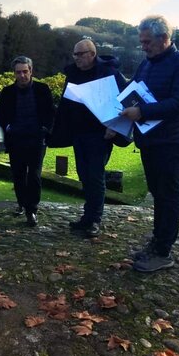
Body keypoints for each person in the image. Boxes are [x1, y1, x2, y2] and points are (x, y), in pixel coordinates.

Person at [119, 16, 179, 272]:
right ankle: (157, 242)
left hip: (171, 141)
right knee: (157, 193)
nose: (143, 46)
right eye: (141, 41)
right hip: (148, 140)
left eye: (147, 42)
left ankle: (163, 252)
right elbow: (131, 93)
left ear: (164, 38)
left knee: (169, 195)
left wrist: (142, 112)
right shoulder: (145, 64)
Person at [51, 38, 126, 238]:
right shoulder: (73, 74)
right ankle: (88, 216)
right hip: (79, 133)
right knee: (84, 175)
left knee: (95, 176)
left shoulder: (110, 73)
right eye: (74, 54)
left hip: (100, 135)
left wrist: (115, 127)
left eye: (80, 54)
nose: (76, 58)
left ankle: (94, 220)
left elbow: (126, 100)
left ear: (92, 54)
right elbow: (66, 106)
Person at [0, 56, 55, 226]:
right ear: (14, 73)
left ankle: (32, 210)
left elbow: (51, 113)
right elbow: (0, 114)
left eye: (25, 71)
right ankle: (22, 203)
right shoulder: (7, 92)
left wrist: (44, 129)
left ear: (31, 71)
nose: (22, 75)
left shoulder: (42, 89)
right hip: (16, 139)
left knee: (34, 175)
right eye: (18, 72)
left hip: (36, 139)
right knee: (18, 174)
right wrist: (8, 127)